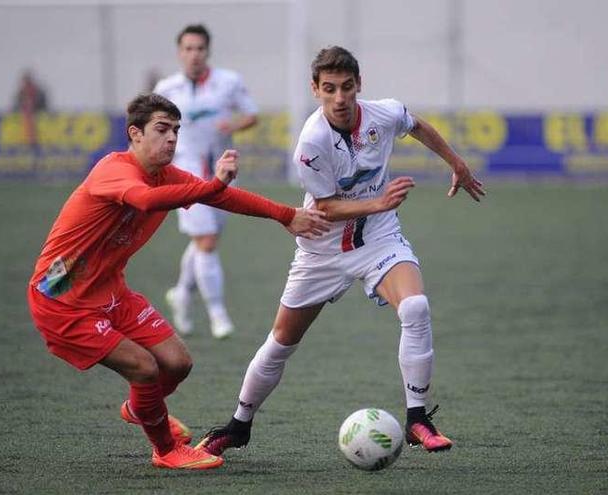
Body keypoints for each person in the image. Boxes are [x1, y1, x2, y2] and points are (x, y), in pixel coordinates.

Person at [196, 46, 485, 458]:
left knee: (416, 308)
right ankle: (239, 424)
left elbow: (416, 124)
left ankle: (418, 418)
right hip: (322, 249)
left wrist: (456, 162)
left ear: (358, 86)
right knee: (281, 342)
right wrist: (379, 202)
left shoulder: (383, 113)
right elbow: (327, 207)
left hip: (379, 240)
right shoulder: (311, 143)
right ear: (315, 90)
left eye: (347, 87)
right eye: (329, 89)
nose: (340, 97)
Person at [26, 93, 329, 470]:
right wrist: (213, 186)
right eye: (161, 130)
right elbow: (146, 200)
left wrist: (286, 214)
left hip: (109, 290)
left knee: (177, 363)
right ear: (135, 134)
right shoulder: (113, 170)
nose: (171, 138)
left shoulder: (165, 176)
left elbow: (223, 199)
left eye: (176, 130)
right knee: (144, 367)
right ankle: (166, 450)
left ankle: (140, 407)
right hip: (60, 299)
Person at [154, 24, 259, 339]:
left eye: (199, 48)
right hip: (184, 174)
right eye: (188, 48)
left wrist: (235, 123)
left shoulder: (228, 82)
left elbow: (251, 114)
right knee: (207, 241)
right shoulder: (167, 88)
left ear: (208, 51)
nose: (194, 54)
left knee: (203, 241)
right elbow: (153, 129)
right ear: (179, 52)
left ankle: (182, 294)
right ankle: (218, 314)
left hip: (223, 171)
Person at [12, 70, 48, 146]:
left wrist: (35, 107)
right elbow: (17, 104)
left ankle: (32, 141)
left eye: (27, 80)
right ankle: (30, 141)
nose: (26, 82)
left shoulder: (37, 90)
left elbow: (42, 103)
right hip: (27, 115)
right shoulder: (22, 92)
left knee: (32, 125)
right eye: (25, 80)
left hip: (36, 114)